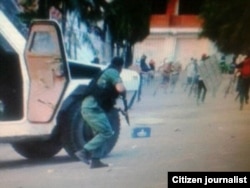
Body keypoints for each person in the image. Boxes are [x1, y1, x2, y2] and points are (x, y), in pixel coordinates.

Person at [75, 56, 126, 168]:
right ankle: (84, 151)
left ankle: (95, 161)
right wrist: (124, 92)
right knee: (107, 132)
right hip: (92, 108)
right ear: (120, 67)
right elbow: (120, 88)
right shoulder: (112, 71)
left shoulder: (104, 73)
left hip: (92, 107)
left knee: (100, 133)